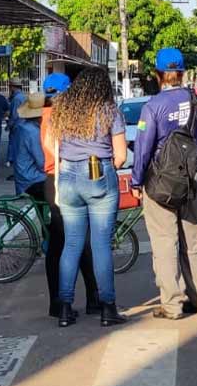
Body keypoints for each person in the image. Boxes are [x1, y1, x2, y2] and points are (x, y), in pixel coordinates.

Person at [132, 48, 197, 320]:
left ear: (158, 75)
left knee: (165, 242)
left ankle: (172, 304)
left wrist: (136, 180)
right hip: (191, 178)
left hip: (160, 184)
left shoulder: (153, 107)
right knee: (194, 239)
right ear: (181, 72)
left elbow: (143, 148)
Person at [47, 67, 127, 328]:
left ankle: (65, 308)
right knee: (100, 245)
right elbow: (121, 156)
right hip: (98, 173)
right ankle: (108, 307)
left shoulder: (62, 110)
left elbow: (52, 145)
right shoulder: (108, 110)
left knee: (71, 245)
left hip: (67, 176)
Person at [37, 73, 99, 319]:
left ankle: (58, 303)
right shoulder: (64, 119)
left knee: (58, 245)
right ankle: (81, 301)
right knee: (80, 243)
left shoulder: (45, 115)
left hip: (53, 182)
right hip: (67, 180)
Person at [12, 92, 46, 195]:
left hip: (23, 175)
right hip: (32, 178)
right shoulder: (32, 132)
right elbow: (42, 163)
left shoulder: (23, 126)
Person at [5, 78, 27, 180]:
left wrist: (9, 125)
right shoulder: (23, 97)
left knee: (15, 150)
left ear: (12, 87)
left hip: (17, 126)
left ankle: (17, 173)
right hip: (22, 125)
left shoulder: (17, 99)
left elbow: (14, 115)